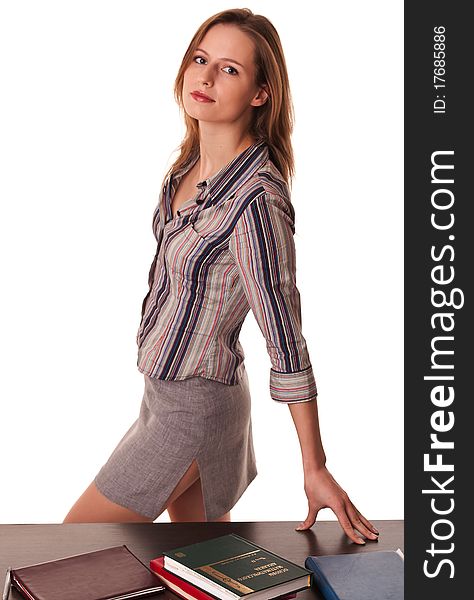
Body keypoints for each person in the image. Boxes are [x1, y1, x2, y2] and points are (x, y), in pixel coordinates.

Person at [63, 8, 379, 545]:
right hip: (162, 398)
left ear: (262, 93)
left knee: (68, 548)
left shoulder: (256, 199)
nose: (205, 77)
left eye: (230, 69)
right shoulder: (186, 168)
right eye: (200, 59)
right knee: (207, 568)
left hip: (194, 410)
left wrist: (314, 466)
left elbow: (284, 335)